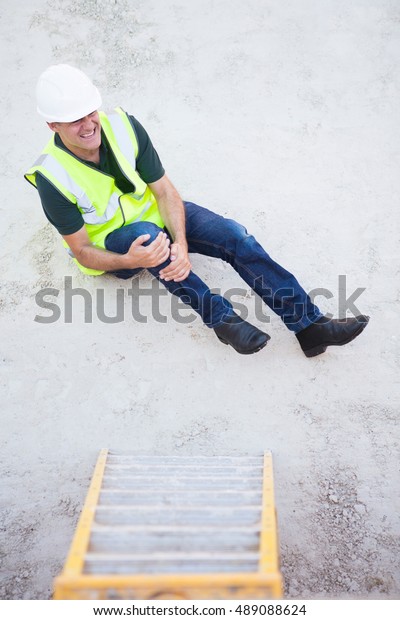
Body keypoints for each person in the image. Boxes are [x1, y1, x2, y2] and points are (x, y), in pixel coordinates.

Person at [25, 64, 369, 357]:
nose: (88, 125)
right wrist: (130, 260)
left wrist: (181, 243)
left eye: (90, 113)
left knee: (234, 235)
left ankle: (309, 325)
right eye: (74, 121)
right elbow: (83, 251)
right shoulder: (52, 176)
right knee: (146, 238)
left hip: (155, 215)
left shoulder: (123, 126)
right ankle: (221, 320)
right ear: (52, 125)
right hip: (117, 247)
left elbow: (164, 190)